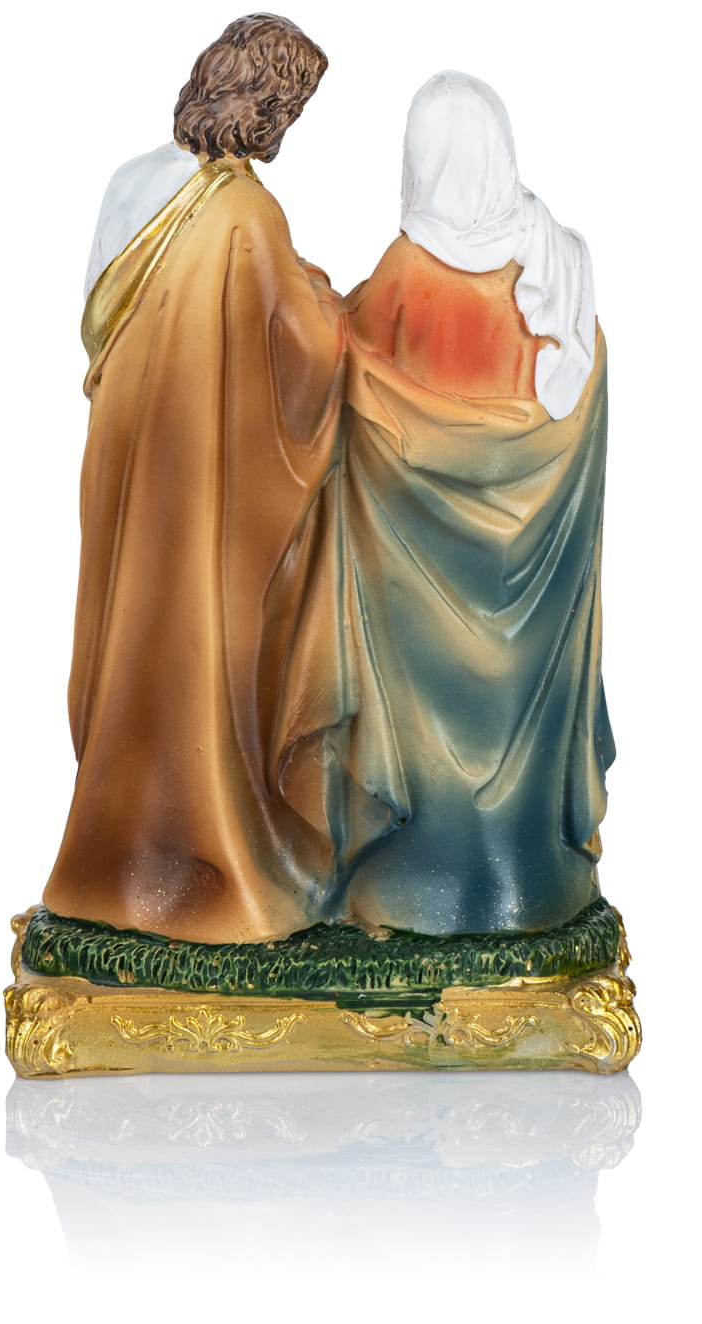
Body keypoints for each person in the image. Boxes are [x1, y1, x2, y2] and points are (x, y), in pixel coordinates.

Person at [280, 71, 616, 937]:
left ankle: (415, 886)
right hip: (532, 614)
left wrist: (303, 297)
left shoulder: (411, 276)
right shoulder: (559, 272)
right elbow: (573, 399)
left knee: (420, 742)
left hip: (419, 604)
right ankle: (527, 880)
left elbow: (349, 371)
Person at [41, 15, 345, 944]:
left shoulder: (132, 180)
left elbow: (99, 323)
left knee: (130, 624)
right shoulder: (245, 211)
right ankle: (204, 856)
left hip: (125, 448)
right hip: (198, 472)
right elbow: (304, 352)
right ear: (267, 104)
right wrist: (331, 303)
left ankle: (112, 852)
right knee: (194, 641)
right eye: (292, 106)